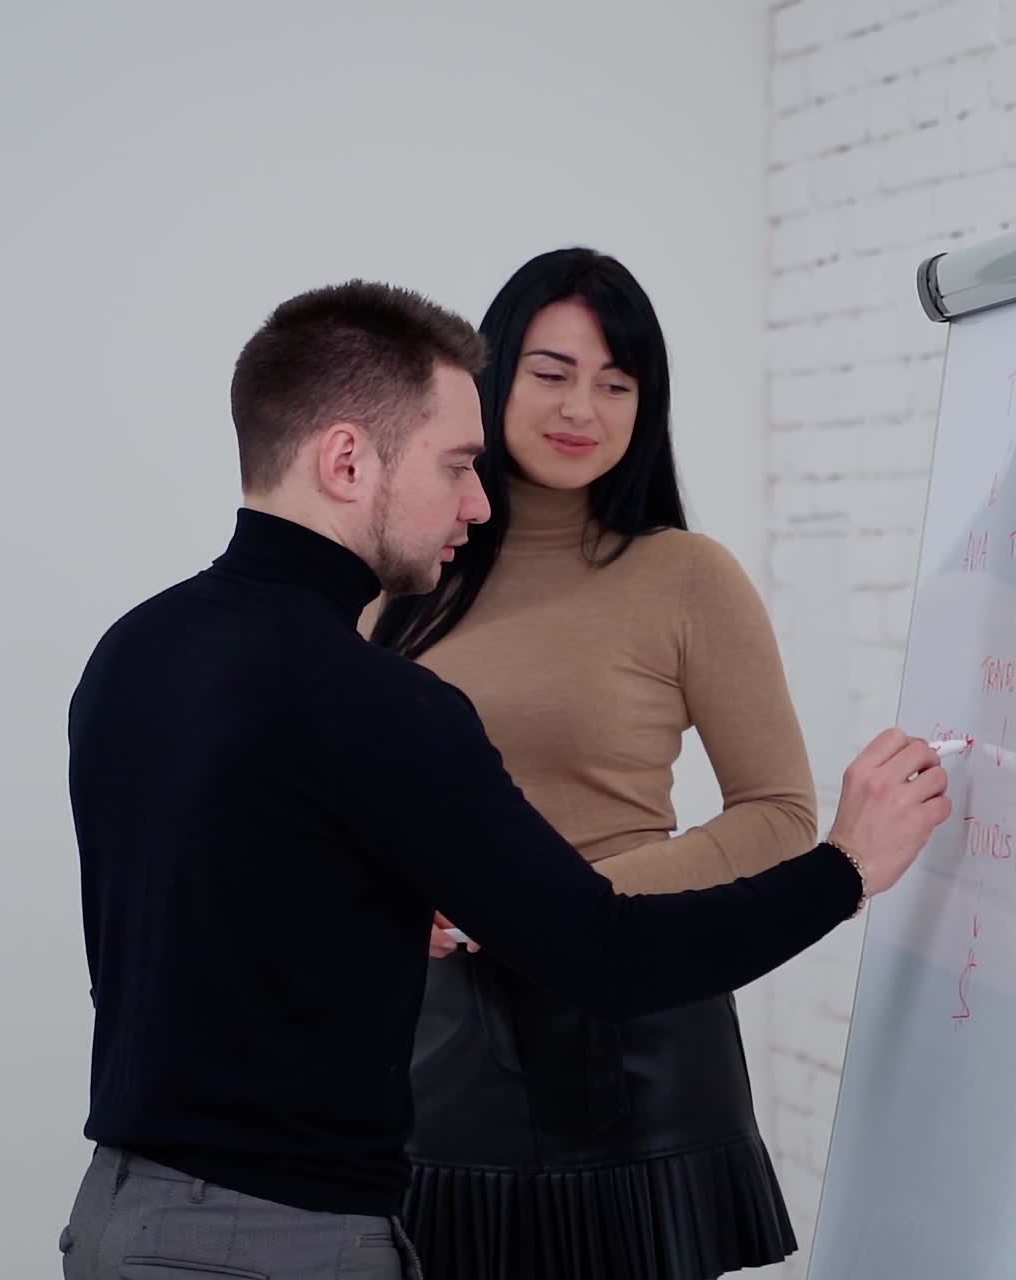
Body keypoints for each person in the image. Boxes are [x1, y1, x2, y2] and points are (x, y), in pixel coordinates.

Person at [59, 279, 951, 1280]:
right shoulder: (380, 689)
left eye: (617, 382)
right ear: (347, 458)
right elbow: (602, 948)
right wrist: (846, 867)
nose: (474, 499)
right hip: (299, 1219)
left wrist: (421, 893)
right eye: (455, 463)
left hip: (124, 1206)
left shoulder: (132, 650)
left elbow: (252, 889)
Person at [368, 246, 818, 1279]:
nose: (584, 406)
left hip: (638, 1036)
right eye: (553, 371)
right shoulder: (399, 575)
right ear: (493, 379)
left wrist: (553, 904)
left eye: (617, 383)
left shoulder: (685, 575)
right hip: (435, 1044)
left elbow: (779, 812)